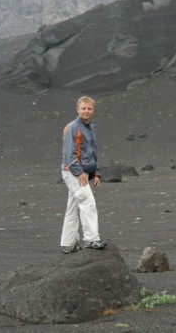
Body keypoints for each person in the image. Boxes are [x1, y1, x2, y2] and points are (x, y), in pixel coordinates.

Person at [59, 96, 106, 253]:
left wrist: (96, 173)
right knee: (87, 202)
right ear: (77, 109)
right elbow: (69, 154)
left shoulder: (90, 127)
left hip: (82, 171)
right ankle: (91, 239)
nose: (86, 111)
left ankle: (68, 242)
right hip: (73, 171)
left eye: (89, 108)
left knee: (73, 206)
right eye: (83, 108)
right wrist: (79, 173)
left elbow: (92, 152)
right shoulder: (73, 127)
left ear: (93, 110)